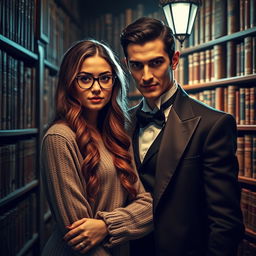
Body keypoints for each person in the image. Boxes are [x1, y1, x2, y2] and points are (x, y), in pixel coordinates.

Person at [120, 17, 244, 256]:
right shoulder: (120, 123)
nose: (146, 76)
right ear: (127, 65)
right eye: (137, 65)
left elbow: (226, 222)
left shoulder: (213, 125)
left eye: (156, 63)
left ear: (174, 60)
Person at [41, 39, 153, 256]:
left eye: (104, 78)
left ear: (115, 82)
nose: (96, 88)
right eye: (85, 79)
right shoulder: (59, 137)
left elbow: (148, 207)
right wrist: (128, 222)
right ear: (69, 83)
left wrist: (105, 226)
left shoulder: (117, 135)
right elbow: (80, 236)